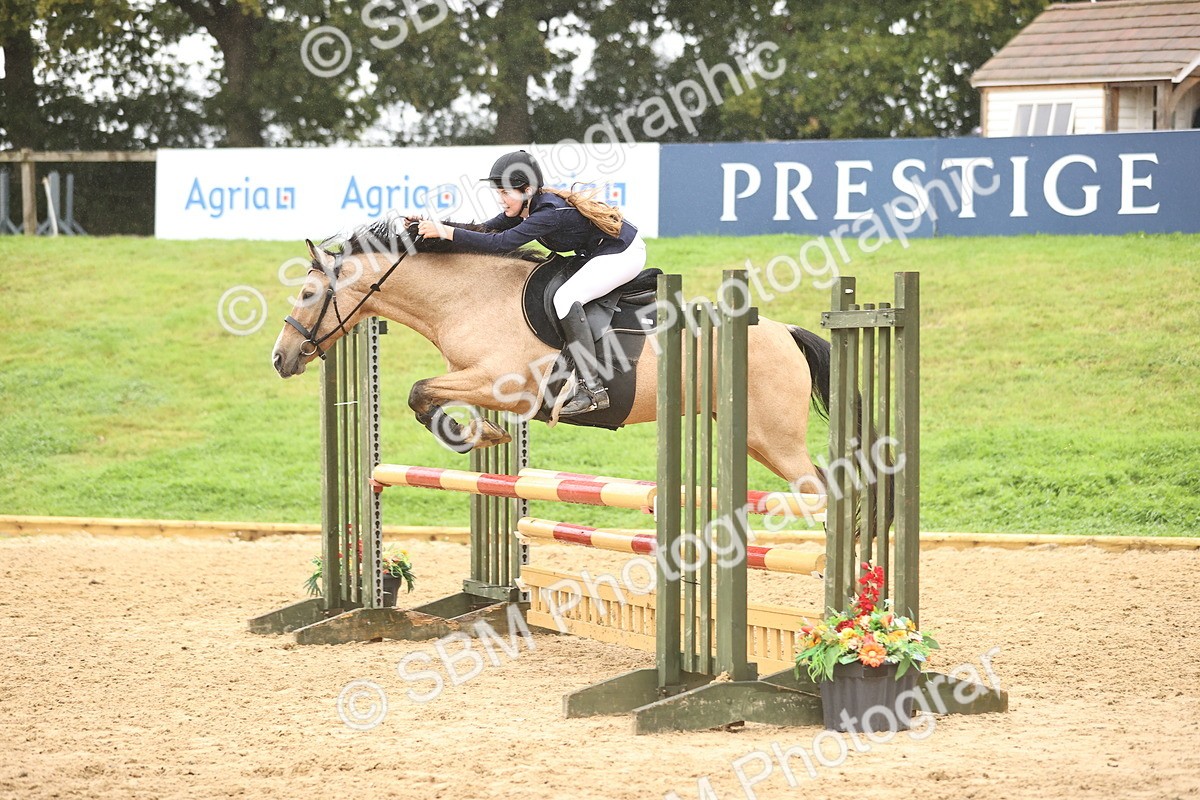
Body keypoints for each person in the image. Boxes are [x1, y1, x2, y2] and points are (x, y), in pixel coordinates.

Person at [417, 150, 646, 416]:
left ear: (527, 190)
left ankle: (592, 389)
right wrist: (436, 226)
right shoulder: (526, 207)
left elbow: (501, 244)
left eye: (506, 193)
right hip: (599, 252)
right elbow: (485, 230)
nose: (501, 200)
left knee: (565, 298)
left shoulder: (547, 213)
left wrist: (447, 232)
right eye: (499, 193)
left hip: (623, 253)